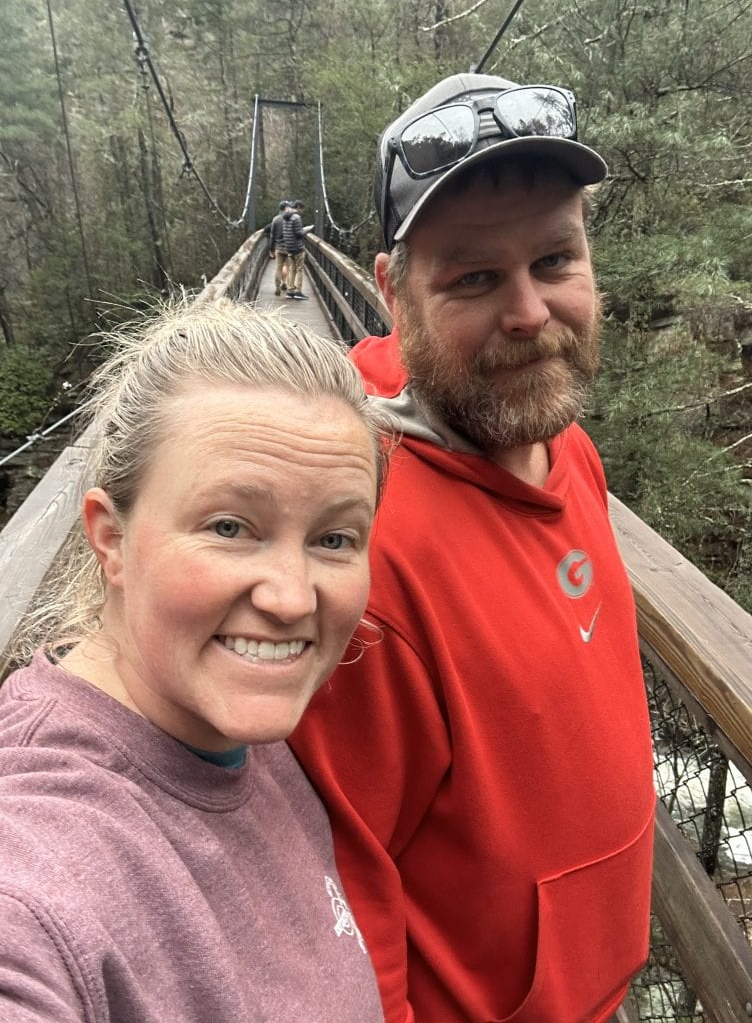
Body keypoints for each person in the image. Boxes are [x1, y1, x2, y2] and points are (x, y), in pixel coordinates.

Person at [289, 72, 656, 1023]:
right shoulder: (361, 560)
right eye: (474, 278)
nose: (530, 312)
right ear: (390, 294)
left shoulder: (562, 440)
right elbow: (338, 901)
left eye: (555, 259)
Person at [0, 300, 390, 1023]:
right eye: (230, 526)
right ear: (110, 539)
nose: (290, 597)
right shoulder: (41, 853)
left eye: (334, 539)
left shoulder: (226, 723)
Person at [283, 199, 313, 300]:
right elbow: (299, 233)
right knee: (299, 269)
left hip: (289, 247)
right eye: (302, 209)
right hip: (297, 247)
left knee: (292, 268)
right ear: (299, 207)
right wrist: (307, 229)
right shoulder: (296, 217)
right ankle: (298, 291)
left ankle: (290, 290)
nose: (302, 211)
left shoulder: (286, 217)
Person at [268, 198, 291, 295]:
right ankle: (284, 282)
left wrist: (271, 249)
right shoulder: (291, 219)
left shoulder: (275, 219)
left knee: (278, 267)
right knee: (287, 266)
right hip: (290, 247)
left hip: (279, 247)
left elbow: (272, 235)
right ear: (286, 208)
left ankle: (277, 287)